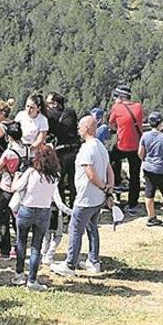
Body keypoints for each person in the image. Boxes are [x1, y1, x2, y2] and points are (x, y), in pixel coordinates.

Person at [50, 116, 114, 277]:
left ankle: (70, 265)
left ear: (87, 128)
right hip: (98, 198)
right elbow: (109, 170)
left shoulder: (86, 148)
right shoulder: (100, 146)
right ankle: (94, 261)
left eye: (80, 127)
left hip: (86, 197)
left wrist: (102, 186)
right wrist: (108, 190)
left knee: (75, 229)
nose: (78, 130)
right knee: (92, 228)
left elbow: (90, 173)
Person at [11, 145, 63, 291]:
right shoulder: (55, 176)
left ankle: (19, 274)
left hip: (27, 209)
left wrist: (16, 177)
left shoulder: (31, 172)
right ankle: (32, 280)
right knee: (36, 247)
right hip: (44, 211)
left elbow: (15, 188)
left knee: (21, 243)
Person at [107, 85, 145, 215]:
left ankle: (117, 182)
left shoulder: (117, 108)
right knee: (135, 175)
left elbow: (111, 124)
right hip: (137, 146)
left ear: (121, 97)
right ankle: (133, 203)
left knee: (111, 158)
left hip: (122, 144)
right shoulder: (139, 107)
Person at [0, 121, 25, 260]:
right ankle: (20, 247)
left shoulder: (8, 153)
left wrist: (6, 169)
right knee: (18, 218)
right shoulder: (27, 149)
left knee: (4, 219)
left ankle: (5, 249)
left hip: (7, 186)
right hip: (21, 187)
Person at [45, 92, 80, 206]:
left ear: (55, 103)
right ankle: (74, 207)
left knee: (58, 182)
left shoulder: (50, 116)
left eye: (48, 103)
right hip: (75, 150)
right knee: (74, 182)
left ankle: (62, 207)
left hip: (61, 152)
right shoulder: (71, 112)